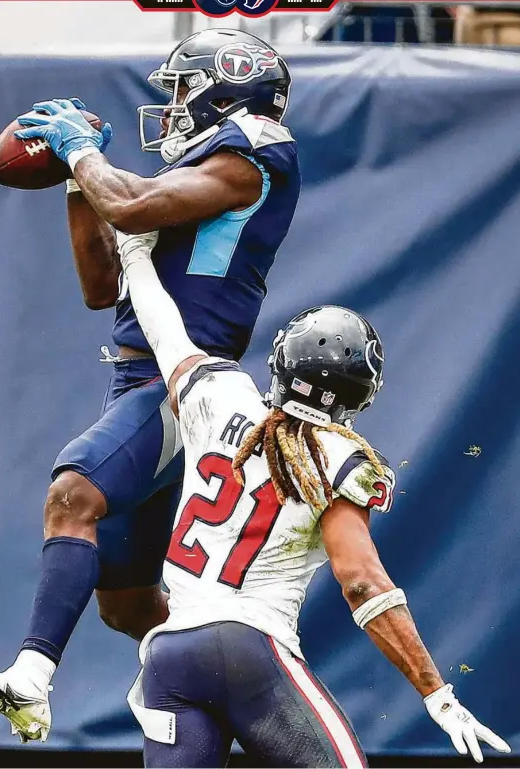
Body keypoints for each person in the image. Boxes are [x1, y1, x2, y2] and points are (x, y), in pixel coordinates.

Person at [0, 29, 300, 743]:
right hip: (135, 376)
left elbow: (135, 205)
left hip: (186, 379)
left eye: (181, 88)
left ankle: (31, 677)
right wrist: (76, 180)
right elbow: (98, 285)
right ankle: (246, 683)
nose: (172, 105)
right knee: (125, 604)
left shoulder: (253, 152)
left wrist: (83, 152)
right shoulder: (195, 168)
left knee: (71, 492)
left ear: (226, 84)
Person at [117, 233, 508, 767]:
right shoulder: (335, 458)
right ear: (360, 393)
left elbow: (165, 332)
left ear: (281, 361)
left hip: (170, 653)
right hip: (250, 646)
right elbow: (362, 582)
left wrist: (133, 251)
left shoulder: (222, 393)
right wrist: (436, 693)